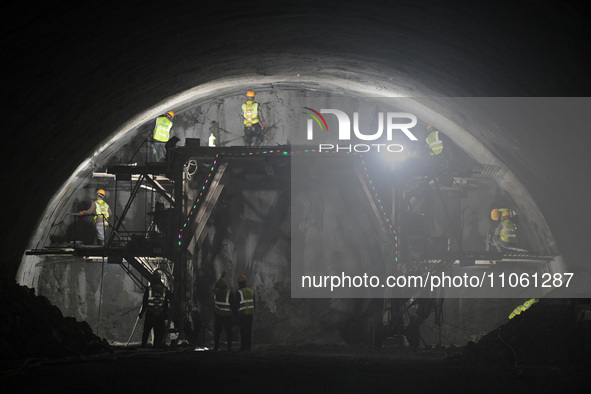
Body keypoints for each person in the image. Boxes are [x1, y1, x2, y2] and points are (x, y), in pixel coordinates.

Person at [139, 270, 171, 348]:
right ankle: (156, 348)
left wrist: (141, 313)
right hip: (160, 315)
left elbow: (145, 303)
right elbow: (166, 304)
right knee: (158, 333)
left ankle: (143, 347)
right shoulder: (164, 290)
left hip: (150, 314)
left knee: (146, 332)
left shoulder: (149, 289)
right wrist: (166, 315)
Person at [235, 274, 255, 351]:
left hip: (242, 314)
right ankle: (248, 347)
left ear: (239, 283)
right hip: (250, 314)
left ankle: (243, 347)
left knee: (243, 331)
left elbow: (237, 305)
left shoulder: (239, 292)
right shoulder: (251, 291)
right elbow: (254, 303)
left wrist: (236, 315)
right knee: (249, 331)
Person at [213, 277, 234, 351]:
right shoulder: (229, 293)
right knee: (229, 333)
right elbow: (233, 305)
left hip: (218, 315)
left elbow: (215, 287)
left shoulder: (216, 292)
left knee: (217, 332)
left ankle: (216, 347)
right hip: (227, 315)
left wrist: (220, 277)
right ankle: (229, 347)